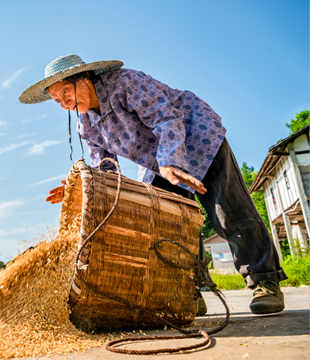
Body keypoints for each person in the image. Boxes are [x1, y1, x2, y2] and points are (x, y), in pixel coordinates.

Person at [19, 54, 287, 315]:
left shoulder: (126, 83)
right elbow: (106, 171)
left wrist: (172, 161)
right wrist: (80, 188)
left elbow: (166, 119)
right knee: (168, 226)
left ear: (85, 77)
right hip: (157, 163)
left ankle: (264, 281)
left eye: (66, 92)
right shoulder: (85, 127)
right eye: (57, 100)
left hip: (196, 136)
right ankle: (189, 291)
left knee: (226, 209)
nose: (64, 103)